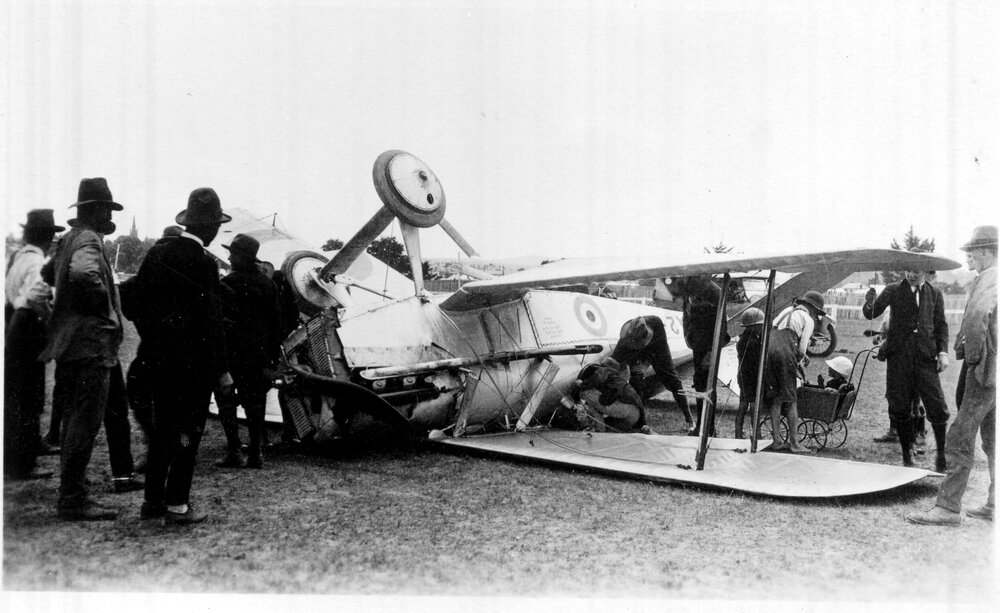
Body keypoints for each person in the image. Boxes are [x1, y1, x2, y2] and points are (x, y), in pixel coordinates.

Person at [129, 188, 233, 525]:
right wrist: (221, 370)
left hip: (157, 362)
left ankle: (151, 505)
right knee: (188, 434)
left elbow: (134, 303)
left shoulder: (158, 253)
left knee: (162, 432)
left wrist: (156, 339)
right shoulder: (204, 264)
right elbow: (212, 323)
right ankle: (177, 504)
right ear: (211, 228)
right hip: (193, 370)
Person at [39, 179, 130, 520]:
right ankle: (73, 498)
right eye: (106, 207)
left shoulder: (66, 241)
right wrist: (105, 311)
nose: (109, 214)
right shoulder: (90, 239)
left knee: (72, 420)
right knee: (85, 421)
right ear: (96, 210)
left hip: (71, 345)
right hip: (91, 345)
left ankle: (71, 492)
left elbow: (51, 274)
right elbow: (82, 273)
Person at [907, 226, 996, 526]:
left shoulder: (988, 279)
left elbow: (976, 316)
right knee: (992, 439)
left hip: (983, 371)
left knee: (959, 437)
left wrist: (970, 356)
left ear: (985, 252)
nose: (969, 256)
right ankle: (994, 503)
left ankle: (947, 507)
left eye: (972, 251)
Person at [863, 256, 950, 470]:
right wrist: (869, 302)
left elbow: (941, 326)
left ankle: (941, 456)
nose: (911, 274)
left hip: (925, 359)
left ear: (926, 272)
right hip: (899, 357)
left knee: (937, 408)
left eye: (916, 271)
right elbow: (871, 314)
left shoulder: (935, 293)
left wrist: (943, 353)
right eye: (908, 270)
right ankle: (906, 455)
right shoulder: (892, 290)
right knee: (900, 406)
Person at [4, 209, 63, 480]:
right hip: (28, 327)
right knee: (30, 395)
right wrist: (50, 321)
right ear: (47, 236)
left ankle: (24, 448)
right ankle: (22, 460)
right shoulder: (39, 261)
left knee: (18, 392)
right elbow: (37, 296)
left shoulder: (16, 258)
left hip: (15, 326)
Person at [215, 234, 282, 469]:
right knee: (256, 404)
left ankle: (234, 450)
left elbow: (219, 321)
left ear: (241, 257)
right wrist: (271, 358)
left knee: (226, 400)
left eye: (232, 253)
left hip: (232, 354)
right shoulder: (269, 285)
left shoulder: (228, 283)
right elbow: (276, 325)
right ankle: (255, 452)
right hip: (258, 355)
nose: (229, 257)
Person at [762, 292, 825, 453]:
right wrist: (799, 362)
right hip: (785, 353)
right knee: (791, 399)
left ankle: (777, 441)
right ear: (812, 308)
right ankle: (795, 443)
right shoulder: (808, 319)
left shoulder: (785, 311)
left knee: (776, 399)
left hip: (768, 352)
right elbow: (803, 348)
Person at [611, 315, 695, 432]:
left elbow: (661, 352)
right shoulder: (624, 342)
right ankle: (640, 422)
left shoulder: (656, 323)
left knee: (672, 379)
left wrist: (647, 364)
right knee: (637, 380)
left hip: (657, 347)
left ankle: (689, 418)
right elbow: (612, 363)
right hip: (635, 354)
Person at [673, 275, 731, 436]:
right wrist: (687, 337)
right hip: (697, 345)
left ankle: (708, 427)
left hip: (709, 347)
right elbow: (686, 315)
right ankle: (702, 425)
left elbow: (721, 326)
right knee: (699, 384)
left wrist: (712, 352)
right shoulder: (690, 291)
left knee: (707, 386)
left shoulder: (715, 292)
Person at [734, 307, 765, 439]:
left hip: (743, 376)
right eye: (759, 326)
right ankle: (756, 434)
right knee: (752, 406)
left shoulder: (744, 339)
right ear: (753, 326)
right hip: (751, 377)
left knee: (743, 404)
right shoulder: (753, 342)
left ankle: (738, 433)